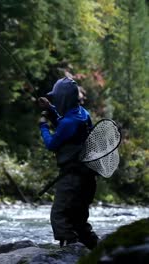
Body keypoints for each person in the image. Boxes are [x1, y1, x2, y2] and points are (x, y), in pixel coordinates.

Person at [38, 77, 99, 249]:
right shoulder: (83, 114)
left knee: (59, 215)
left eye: (56, 98)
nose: (55, 100)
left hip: (72, 178)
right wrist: (50, 110)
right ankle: (98, 250)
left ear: (63, 98)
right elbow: (67, 130)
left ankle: (71, 248)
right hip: (88, 177)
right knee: (79, 220)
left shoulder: (68, 122)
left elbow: (52, 144)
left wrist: (43, 126)